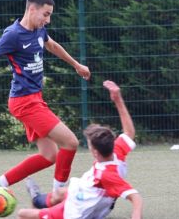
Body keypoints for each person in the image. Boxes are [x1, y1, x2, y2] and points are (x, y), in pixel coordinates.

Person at [0, 0, 91, 192]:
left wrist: (76, 65)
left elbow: (52, 46)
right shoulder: (13, 34)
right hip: (24, 102)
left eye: (50, 15)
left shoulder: (39, 30)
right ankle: (59, 197)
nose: (48, 20)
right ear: (32, 9)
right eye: (46, 14)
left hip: (34, 99)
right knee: (70, 142)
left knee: (49, 156)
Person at [17, 80, 143, 219]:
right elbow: (129, 133)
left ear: (95, 152)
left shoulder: (107, 174)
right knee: (59, 193)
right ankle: (37, 198)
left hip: (76, 209)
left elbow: (135, 197)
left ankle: (38, 203)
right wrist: (118, 99)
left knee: (23, 214)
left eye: (89, 145)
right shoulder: (116, 151)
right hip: (83, 189)